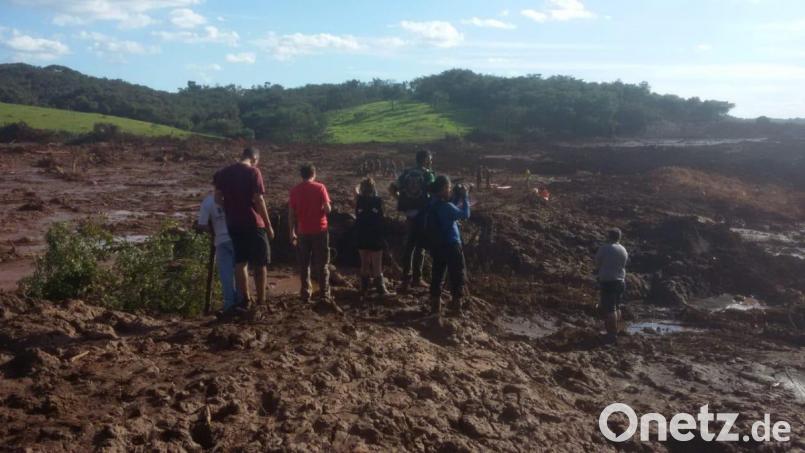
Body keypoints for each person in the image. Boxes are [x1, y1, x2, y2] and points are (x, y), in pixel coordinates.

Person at [213, 147, 275, 310]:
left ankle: (246, 299)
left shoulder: (224, 173)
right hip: (254, 222)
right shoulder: (253, 172)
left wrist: (229, 208)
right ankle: (261, 300)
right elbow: (259, 199)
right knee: (260, 263)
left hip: (234, 223)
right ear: (254, 158)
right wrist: (268, 226)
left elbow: (217, 197)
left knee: (241, 262)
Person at [289, 163, 341, 313]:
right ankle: (324, 294)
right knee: (322, 263)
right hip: (320, 229)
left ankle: (305, 293)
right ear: (314, 173)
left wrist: (291, 232)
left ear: (302, 175)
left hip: (302, 231)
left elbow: (291, 214)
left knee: (304, 264)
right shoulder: (320, 188)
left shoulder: (295, 190)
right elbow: (328, 209)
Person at [390, 149, 436, 292]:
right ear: (425, 159)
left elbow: (392, 188)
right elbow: (434, 192)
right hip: (422, 214)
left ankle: (405, 279)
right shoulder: (428, 175)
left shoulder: (406, 173)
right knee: (420, 247)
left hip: (409, 214)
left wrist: (401, 200)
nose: (431, 161)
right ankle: (417, 279)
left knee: (409, 246)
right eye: (429, 158)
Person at [423, 175, 470, 317]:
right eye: (448, 188)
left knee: (437, 275)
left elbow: (449, 208)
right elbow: (465, 214)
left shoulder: (432, 203)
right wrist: (466, 197)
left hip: (437, 246)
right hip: (451, 244)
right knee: (457, 275)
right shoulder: (447, 207)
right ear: (443, 189)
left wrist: (456, 197)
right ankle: (456, 307)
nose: (450, 191)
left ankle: (435, 306)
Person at [196, 189, 239, 315]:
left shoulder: (208, 201)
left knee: (226, 274)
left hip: (221, 240)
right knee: (240, 270)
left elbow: (202, 224)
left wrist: (213, 230)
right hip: (237, 238)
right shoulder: (235, 196)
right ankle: (242, 300)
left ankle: (229, 304)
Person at [354, 178, 393, 301]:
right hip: (375, 237)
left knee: (364, 264)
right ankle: (381, 290)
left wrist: (359, 185)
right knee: (377, 265)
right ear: (374, 189)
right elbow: (383, 216)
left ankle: (363, 290)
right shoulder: (378, 201)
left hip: (361, 236)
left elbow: (354, 190)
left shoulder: (358, 201)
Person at [595, 228, 629, 344]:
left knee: (610, 309)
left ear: (609, 236)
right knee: (617, 306)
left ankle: (611, 333)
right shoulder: (623, 249)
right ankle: (616, 330)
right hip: (620, 281)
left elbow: (598, 262)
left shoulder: (605, 248)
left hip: (608, 281)